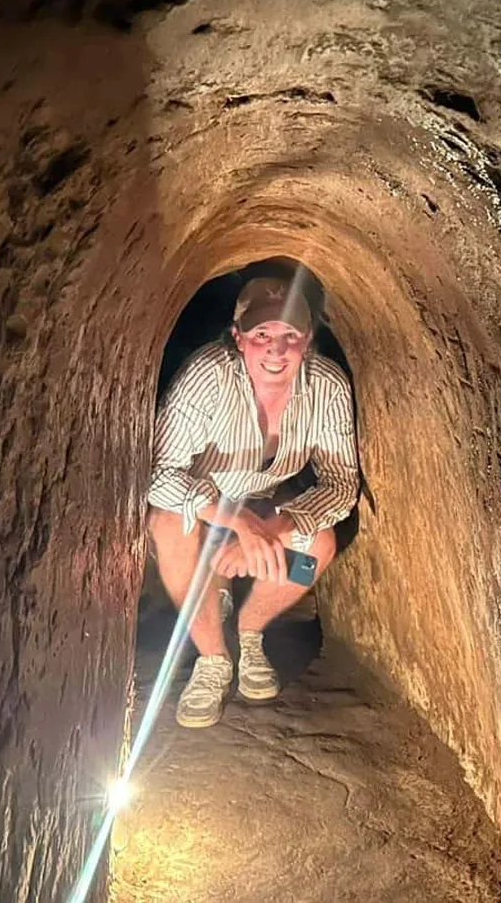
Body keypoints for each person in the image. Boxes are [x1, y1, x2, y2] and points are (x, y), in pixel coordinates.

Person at [146, 271, 360, 728]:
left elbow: (342, 484)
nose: (276, 350)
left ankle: (250, 629)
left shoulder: (327, 386)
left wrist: (274, 530)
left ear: (307, 341)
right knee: (166, 524)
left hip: (267, 505)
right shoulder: (209, 376)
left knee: (315, 549)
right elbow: (159, 475)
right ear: (239, 338)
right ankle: (213, 658)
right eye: (262, 334)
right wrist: (238, 524)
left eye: (290, 336)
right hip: (203, 506)